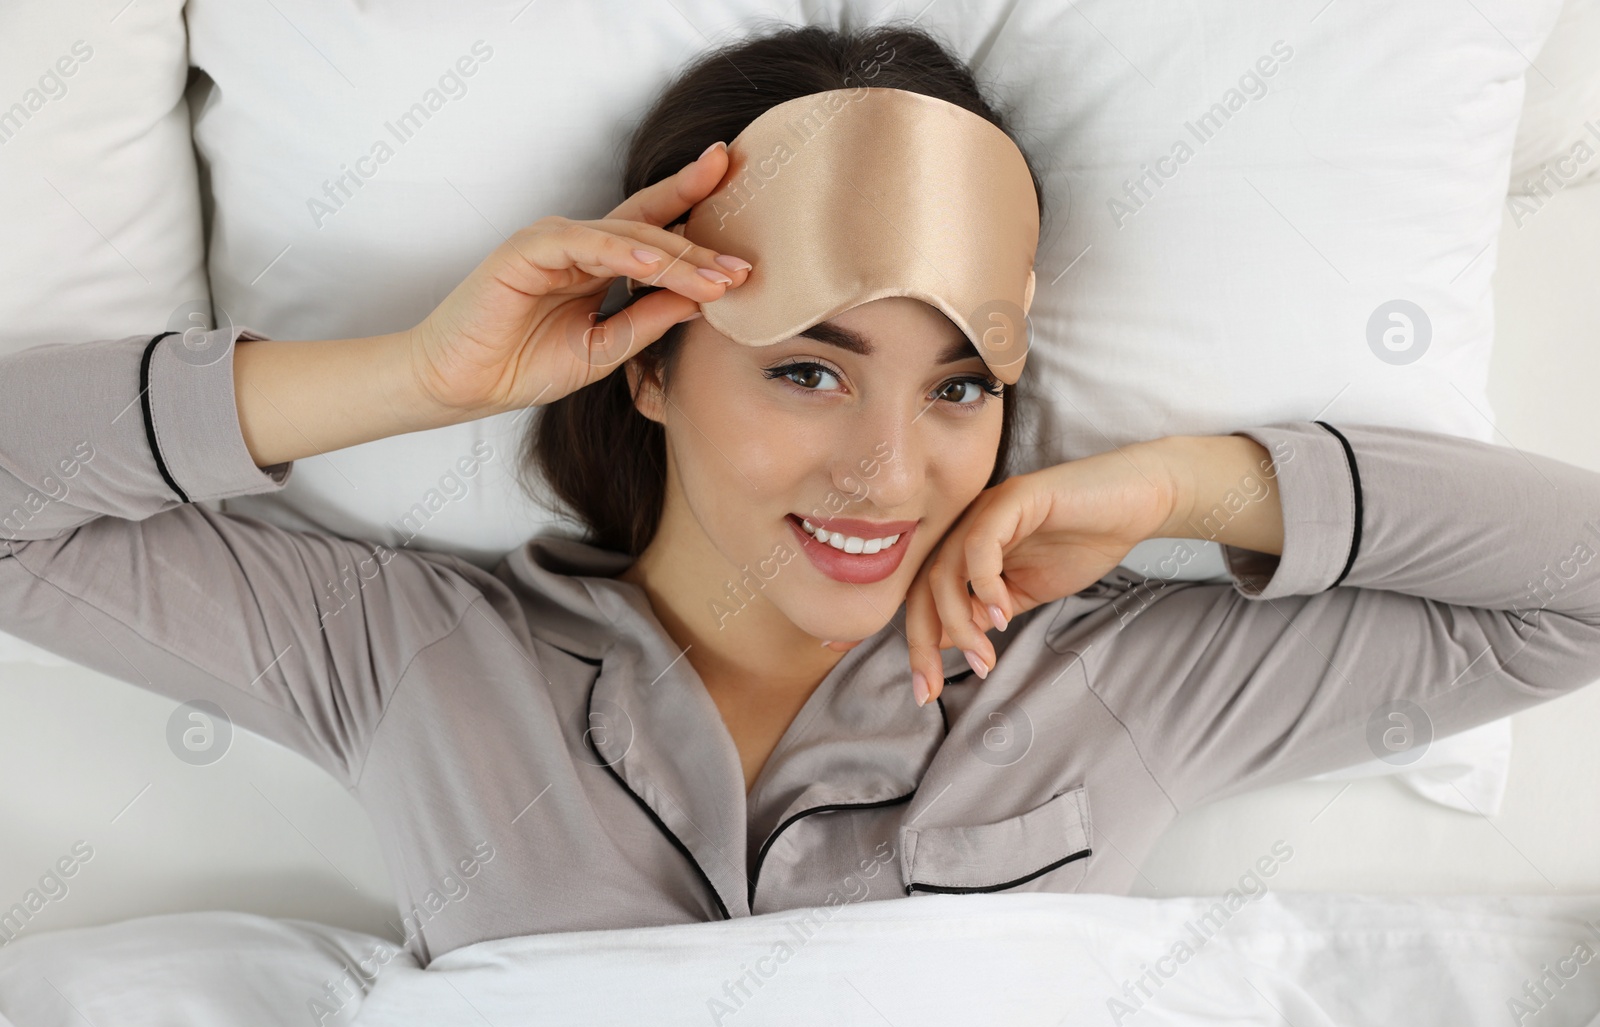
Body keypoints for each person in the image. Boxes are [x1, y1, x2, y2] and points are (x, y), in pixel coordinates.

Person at [3, 23, 1600, 969]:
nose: (887, 472)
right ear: (642, 363)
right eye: (806, 370)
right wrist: (420, 378)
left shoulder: (1114, 679)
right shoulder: (417, 653)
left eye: (958, 387)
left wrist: (1194, 484)